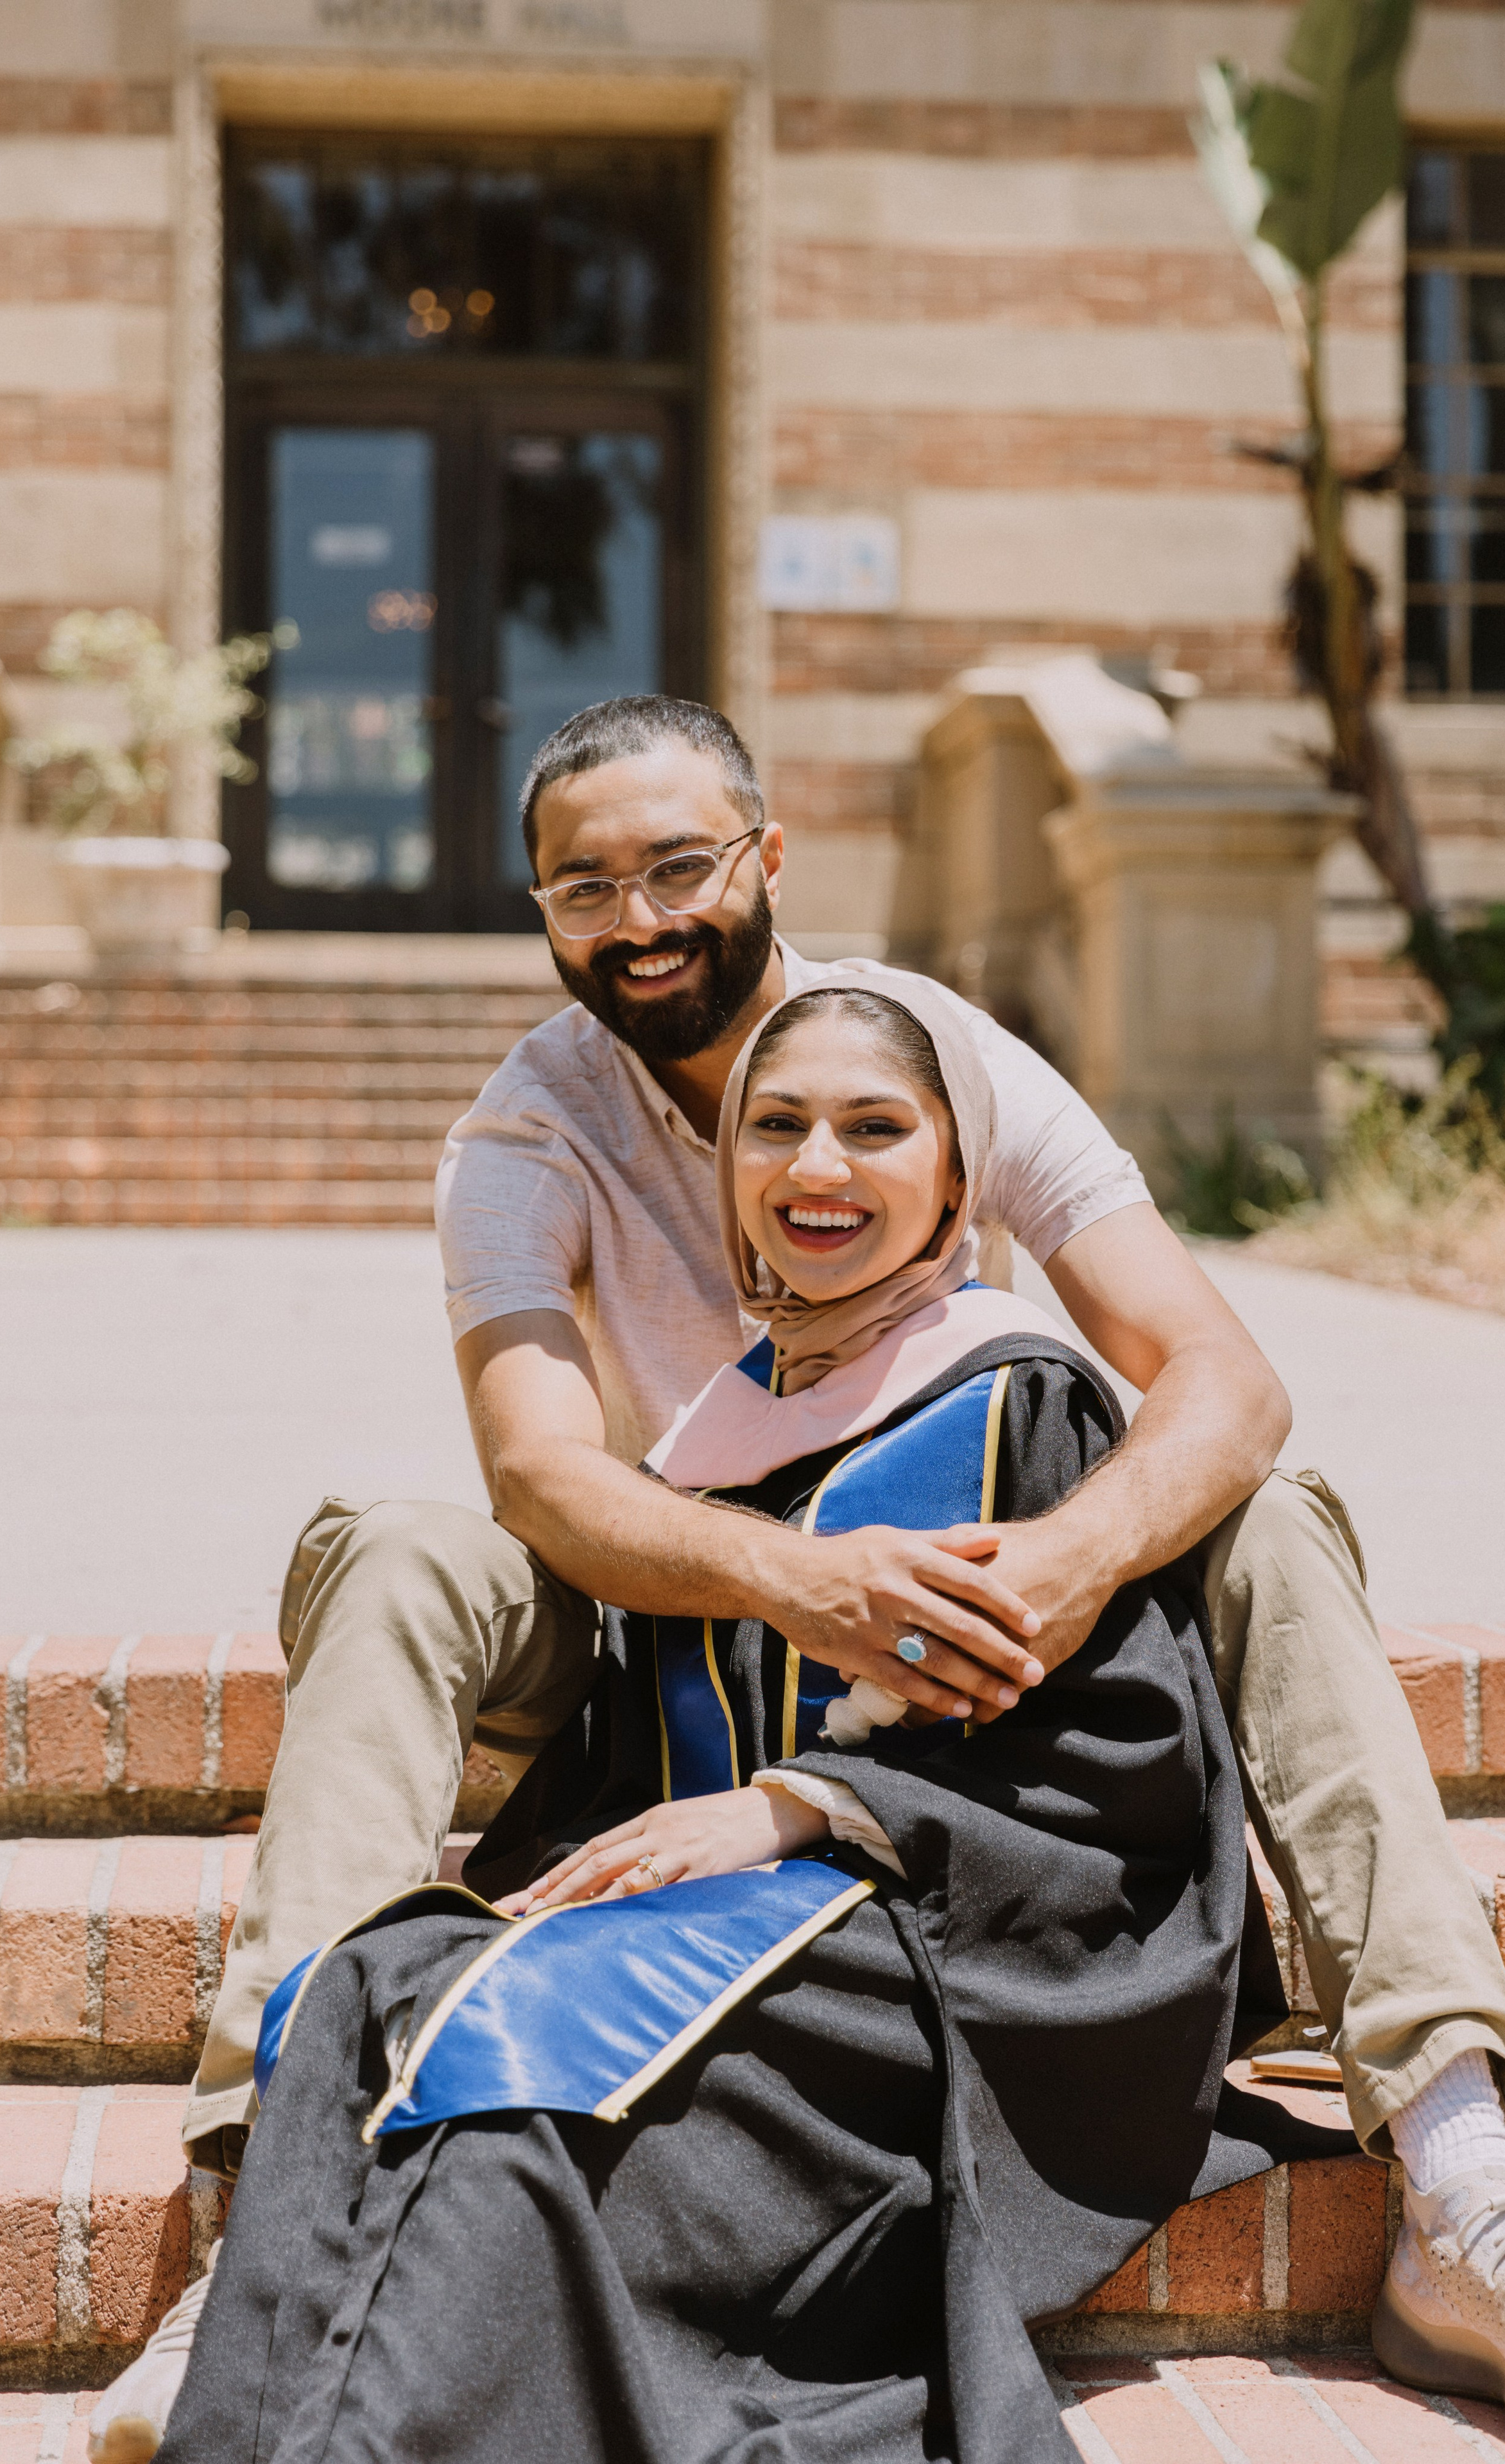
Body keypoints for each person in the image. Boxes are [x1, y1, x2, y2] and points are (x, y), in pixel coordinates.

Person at [91, 695, 1505, 2459]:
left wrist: (1059, 1559)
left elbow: (1230, 1380)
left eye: (678, 868)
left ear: (766, 857)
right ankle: (266, 2195)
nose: (641, 919)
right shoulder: (525, 1133)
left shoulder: (933, 1050)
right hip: (669, 1621)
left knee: (1270, 1515)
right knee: (403, 1551)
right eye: (587, 889)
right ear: (541, 910)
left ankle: (1459, 2179)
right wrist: (797, 1583)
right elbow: (544, 1474)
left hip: (965, 1638)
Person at [151, 979, 1350, 2464]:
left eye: (872, 1127)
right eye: (774, 1128)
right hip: (741, 1930)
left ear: (956, 1182)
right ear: (727, 1178)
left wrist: (794, 1810)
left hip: (950, 1955)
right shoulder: (704, 1449)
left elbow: (1115, 1772)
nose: (817, 1168)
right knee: (388, 1986)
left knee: (521, 2107)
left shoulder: (1016, 1408)